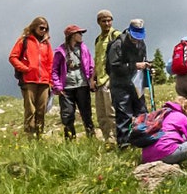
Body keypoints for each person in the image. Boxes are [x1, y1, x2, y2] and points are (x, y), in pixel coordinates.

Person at [107, 19, 149, 149]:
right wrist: (135, 66)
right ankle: (124, 145)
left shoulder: (142, 44)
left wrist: (146, 66)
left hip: (136, 84)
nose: (137, 40)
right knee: (124, 114)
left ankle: (142, 142)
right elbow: (114, 67)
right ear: (129, 32)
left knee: (142, 112)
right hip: (119, 85)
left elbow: (143, 60)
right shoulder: (117, 44)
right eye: (135, 37)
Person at [10, 17, 54, 138]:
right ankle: (30, 135)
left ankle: (39, 135)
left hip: (44, 82)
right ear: (34, 27)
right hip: (29, 81)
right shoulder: (24, 41)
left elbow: (50, 63)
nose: (43, 30)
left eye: (46, 28)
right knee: (30, 109)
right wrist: (25, 68)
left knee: (41, 110)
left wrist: (51, 81)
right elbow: (13, 57)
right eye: (41, 28)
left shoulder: (47, 44)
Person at [52, 25, 96, 140]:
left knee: (86, 113)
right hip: (66, 87)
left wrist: (91, 79)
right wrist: (58, 86)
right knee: (68, 114)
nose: (81, 36)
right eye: (79, 33)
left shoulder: (84, 49)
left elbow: (91, 65)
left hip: (82, 85)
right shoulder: (60, 52)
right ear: (72, 36)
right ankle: (70, 140)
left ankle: (91, 137)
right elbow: (54, 70)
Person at [92, 9, 121, 142]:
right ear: (99, 22)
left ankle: (114, 138)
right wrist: (93, 78)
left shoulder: (116, 35)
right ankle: (106, 139)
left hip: (111, 79)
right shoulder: (98, 39)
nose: (107, 23)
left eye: (109, 20)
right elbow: (97, 59)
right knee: (101, 113)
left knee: (111, 112)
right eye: (104, 21)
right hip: (99, 80)